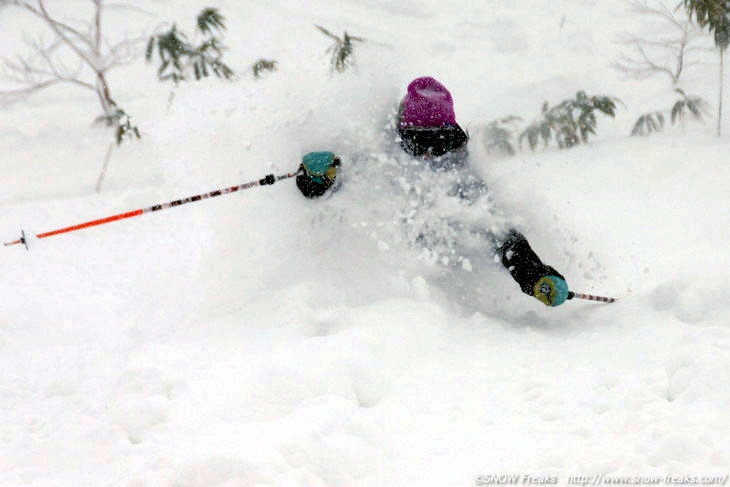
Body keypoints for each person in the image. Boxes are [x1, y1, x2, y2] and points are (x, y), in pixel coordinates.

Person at [294, 76, 569, 307]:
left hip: (431, 280)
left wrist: (532, 276)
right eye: (417, 142)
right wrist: (315, 179)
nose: (428, 152)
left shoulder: (460, 176)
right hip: (369, 280)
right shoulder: (377, 151)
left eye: (439, 143)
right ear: (402, 132)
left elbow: (499, 233)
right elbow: (326, 190)